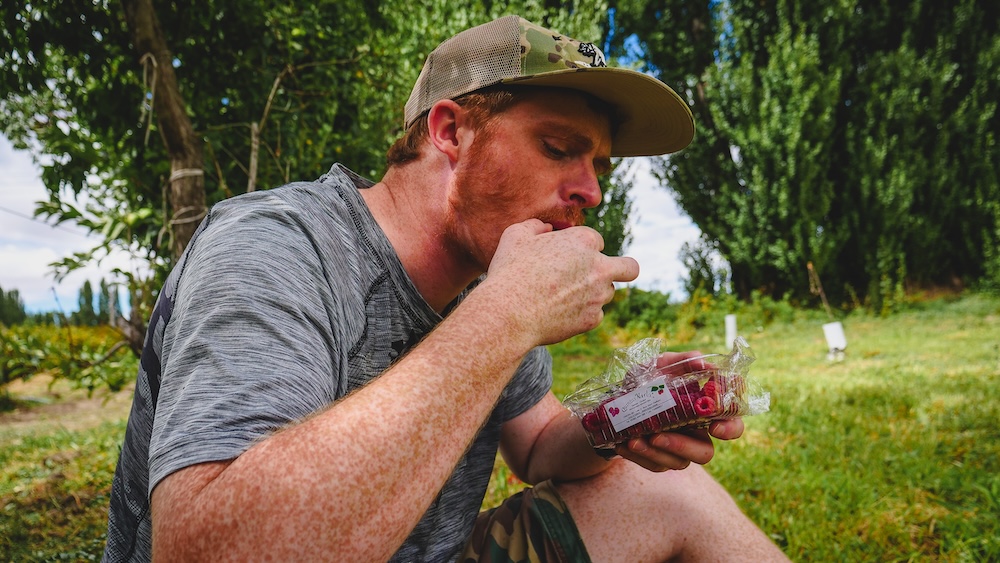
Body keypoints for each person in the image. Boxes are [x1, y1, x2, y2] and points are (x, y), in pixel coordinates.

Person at [103, 14, 789, 562]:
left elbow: (540, 441)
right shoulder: (274, 246)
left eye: (597, 163)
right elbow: (205, 552)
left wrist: (626, 416)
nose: (592, 190)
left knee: (670, 494)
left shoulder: (485, 278)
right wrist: (506, 315)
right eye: (559, 148)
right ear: (451, 130)